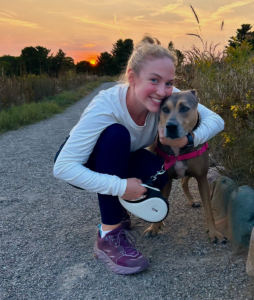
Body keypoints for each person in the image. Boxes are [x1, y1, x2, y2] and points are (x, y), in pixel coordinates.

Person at [53, 35, 224, 275]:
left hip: (120, 159)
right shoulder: (107, 105)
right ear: (132, 77)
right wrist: (120, 186)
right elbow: (62, 167)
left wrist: (188, 140)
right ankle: (108, 235)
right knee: (116, 135)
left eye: (169, 82)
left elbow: (216, 120)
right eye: (154, 80)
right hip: (85, 162)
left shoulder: (164, 98)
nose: (163, 91)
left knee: (159, 171)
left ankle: (117, 205)